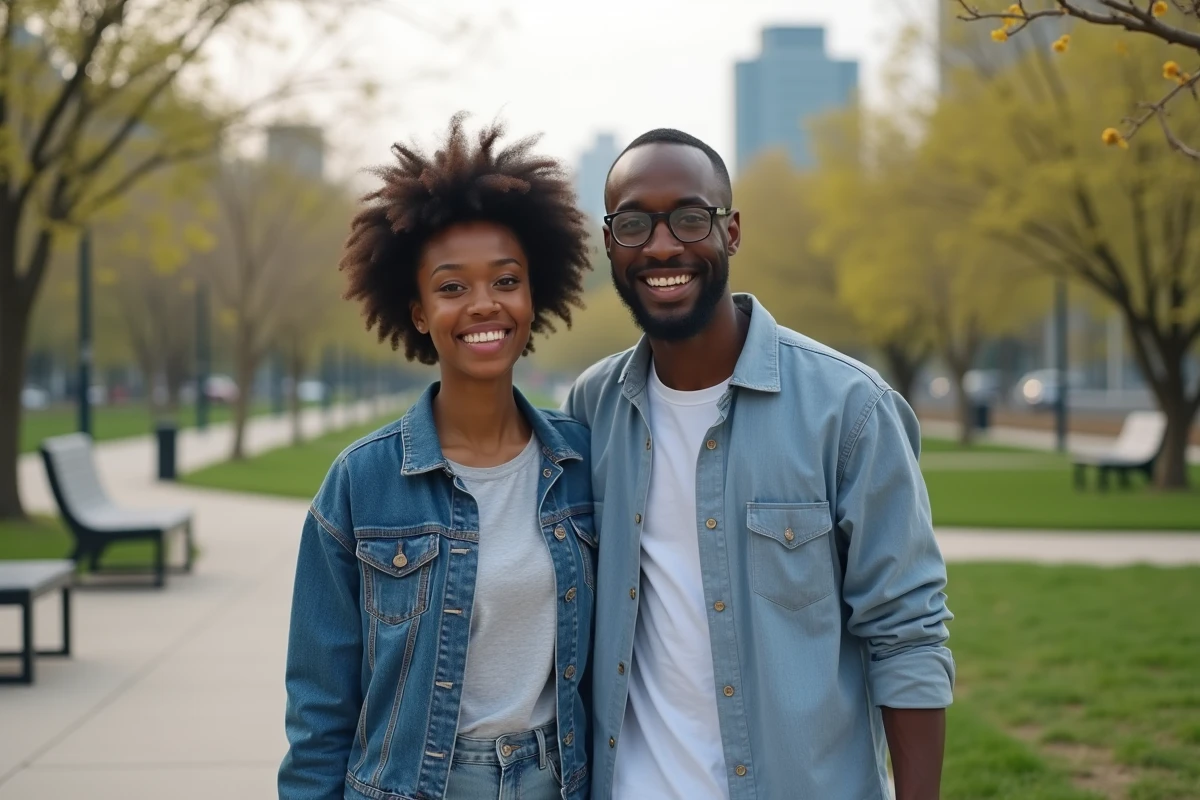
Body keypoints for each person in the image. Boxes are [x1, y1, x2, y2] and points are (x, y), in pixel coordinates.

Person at [562, 129, 955, 800]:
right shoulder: (591, 408)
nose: (662, 246)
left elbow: (907, 634)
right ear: (609, 244)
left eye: (690, 217)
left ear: (732, 231)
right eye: (633, 224)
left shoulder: (849, 408)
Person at [279, 114, 596, 800]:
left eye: (506, 281)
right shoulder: (362, 484)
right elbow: (320, 708)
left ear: (534, 294)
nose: (484, 304)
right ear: (418, 311)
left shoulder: (587, 467)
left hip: (560, 782)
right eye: (452, 287)